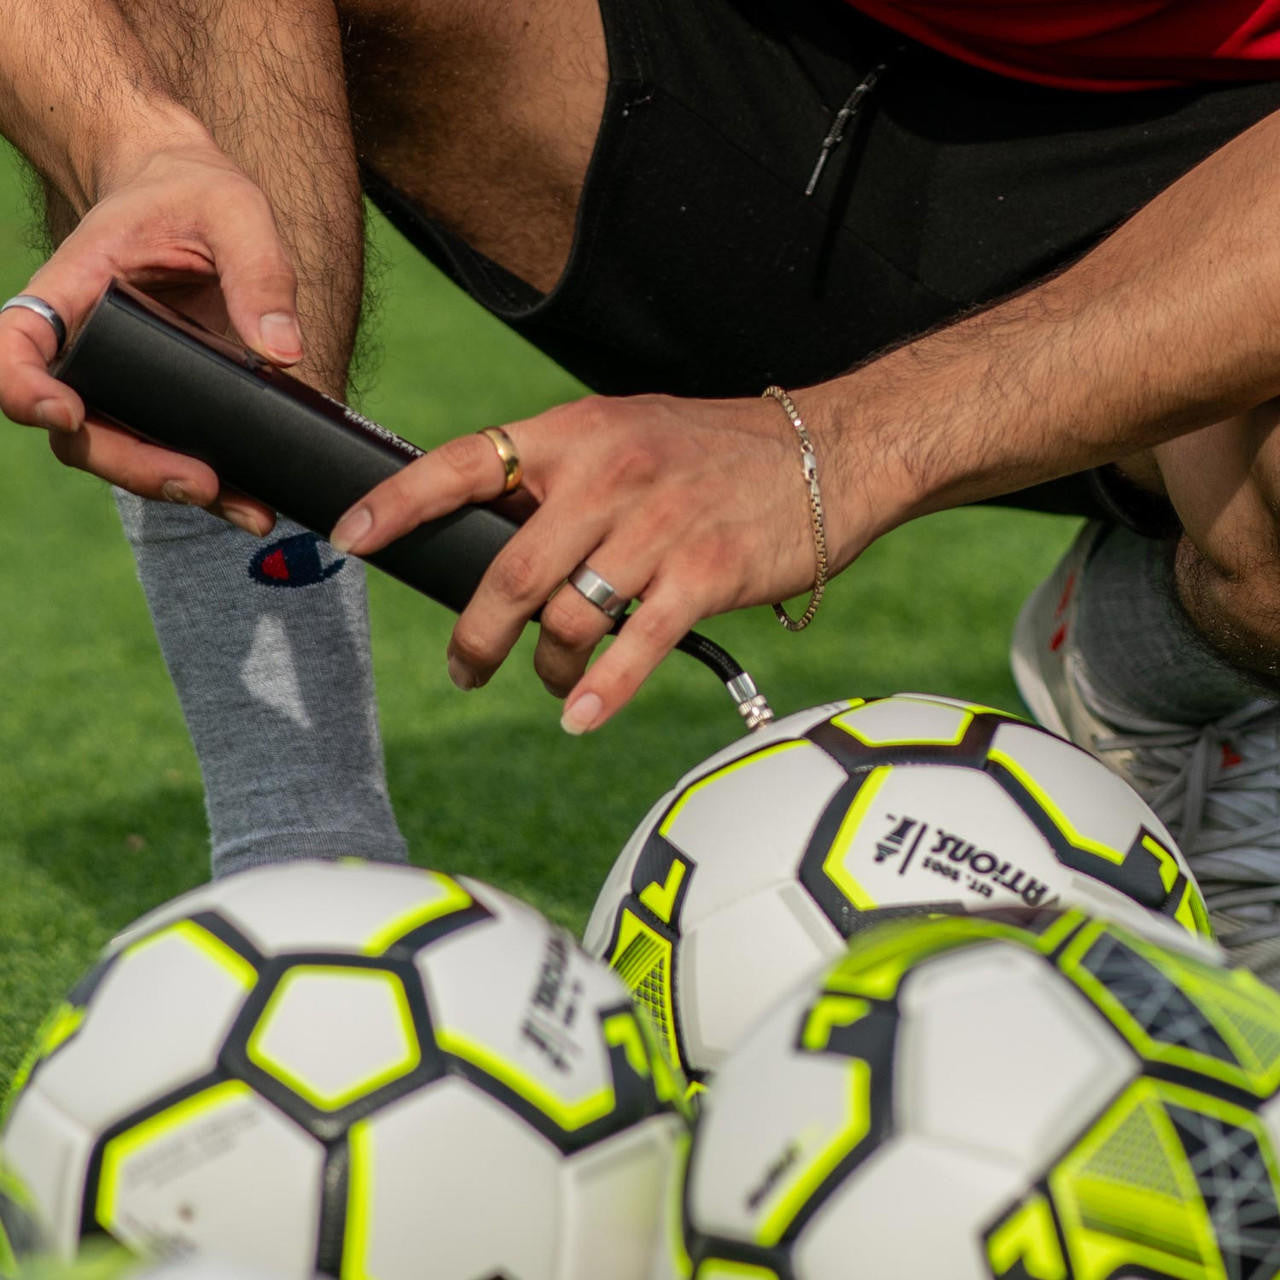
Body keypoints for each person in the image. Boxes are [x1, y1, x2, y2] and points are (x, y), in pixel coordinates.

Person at [3, 0, 1280, 967]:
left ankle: (1161, 651)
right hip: (736, 72)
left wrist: (825, 447)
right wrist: (131, 127)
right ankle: (305, 873)